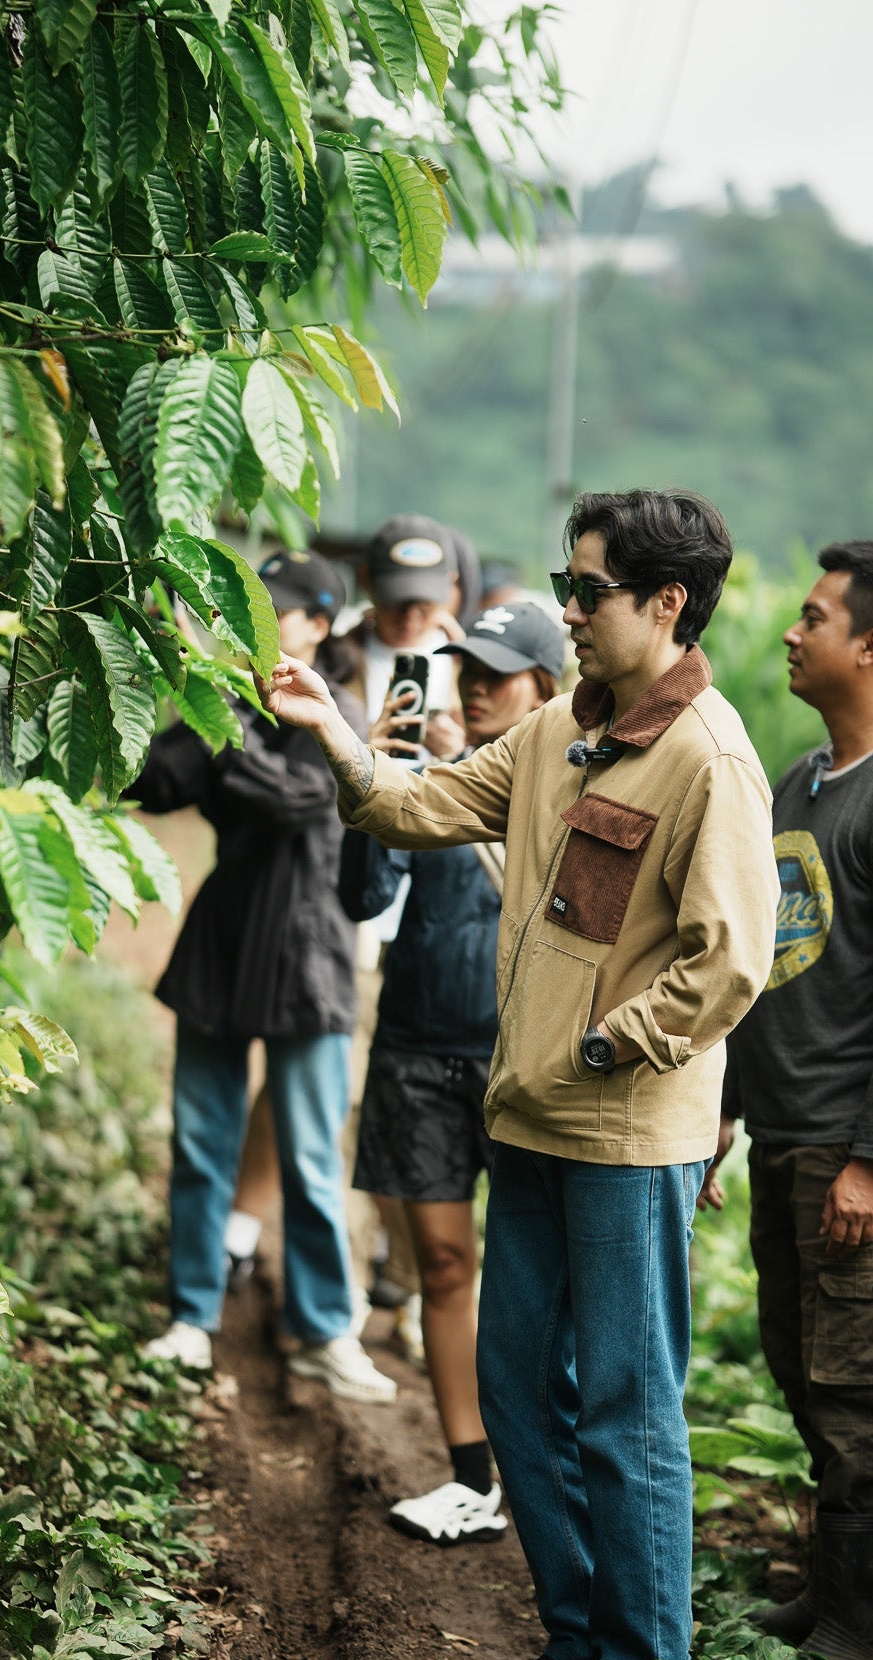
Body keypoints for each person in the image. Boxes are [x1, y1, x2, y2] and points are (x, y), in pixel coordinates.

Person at [264, 488, 778, 1660]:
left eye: (588, 590)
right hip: (531, 1121)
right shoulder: (557, 733)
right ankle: (576, 1642)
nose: (569, 609)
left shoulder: (708, 758)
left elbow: (730, 958)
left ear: (666, 603)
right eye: (568, 584)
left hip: (625, 1135)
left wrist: (607, 1043)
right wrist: (332, 731)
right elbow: (416, 805)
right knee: (515, 1385)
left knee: (625, 1403)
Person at [701, 541, 873, 1660]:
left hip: (857, 1150)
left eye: (812, 617)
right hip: (787, 1133)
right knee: (799, 1361)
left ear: (870, 644)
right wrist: (723, 1106)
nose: (789, 630)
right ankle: (828, 1592)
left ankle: (862, 1628)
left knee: (860, 1387)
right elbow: (762, 960)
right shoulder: (806, 779)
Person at [133, 547, 397, 1404]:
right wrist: (145, 674)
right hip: (222, 945)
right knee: (199, 1145)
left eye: (272, 607)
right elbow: (152, 778)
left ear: (318, 625)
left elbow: (293, 798)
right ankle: (189, 1317)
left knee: (312, 1159)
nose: (251, 621)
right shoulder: (227, 701)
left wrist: (218, 726)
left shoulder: (337, 711)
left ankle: (324, 1332)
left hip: (306, 958)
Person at [341, 603, 567, 1546]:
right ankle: (472, 1479)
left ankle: (548, 1477)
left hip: (523, 1066)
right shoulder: (429, 781)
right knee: (441, 1263)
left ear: (546, 687)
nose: (474, 688)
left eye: (496, 674)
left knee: (533, 1281)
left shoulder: (573, 782)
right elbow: (362, 897)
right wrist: (369, 770)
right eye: (465, 669)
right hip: (416, 1052)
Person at [333, 514, 466, 727]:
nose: (410, 616)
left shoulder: (469, 665)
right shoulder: (334, 660)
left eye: (425, 604)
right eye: (396, 601)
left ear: (451, 585)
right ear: (366, 579)